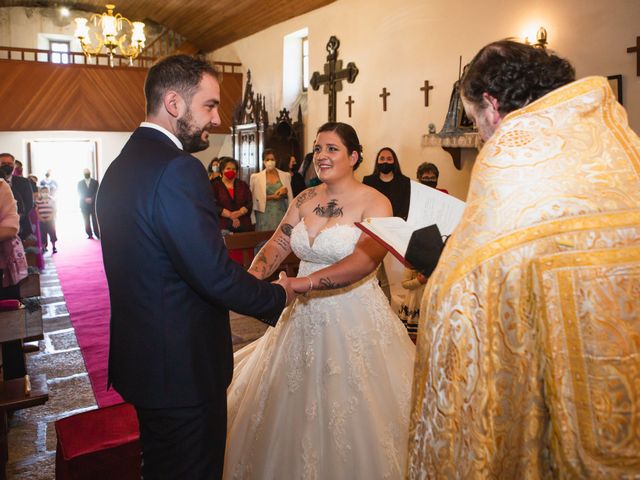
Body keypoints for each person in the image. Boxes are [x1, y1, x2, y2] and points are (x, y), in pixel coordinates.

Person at [407, 40, 640, 479]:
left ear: (492, 106)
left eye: (475, 120)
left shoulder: (515, 155)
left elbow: (467, 289)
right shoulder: (613, 138)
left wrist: (439, 264)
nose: (480, 135)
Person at [96, 54, 295, 480]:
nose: (217, 119)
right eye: (209, 105)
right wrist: (278, 295)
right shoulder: (177, 169)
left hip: (145, 362)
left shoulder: (120, 166)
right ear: (173, 103)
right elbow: (213, 274)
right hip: (182, 370)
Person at [223, 122, 416, 479]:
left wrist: (304, 283)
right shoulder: (304, 199)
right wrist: (246, 282)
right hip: (300, 319)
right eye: (317, 148)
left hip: (353, 316)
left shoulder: (376, 202)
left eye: (332, 149)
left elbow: (364, 261)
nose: (321, 156)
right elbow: (278, 245)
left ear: (354, 156)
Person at [249, 148, 293, 231]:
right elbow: (253, 198)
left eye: (272, 159)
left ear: (276, 160)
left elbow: (290, 196)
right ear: (263, 161)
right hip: (264, 213)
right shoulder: (256, 177)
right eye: (267, 159)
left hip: (281, 211)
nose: (270, 162)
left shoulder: (285, 175)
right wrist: (272, 197)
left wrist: (284, 192)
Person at [362, 147, 411, 220]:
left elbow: (406, 208)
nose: (385, 162)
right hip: (374, 224)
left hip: (397, 225)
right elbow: (364, 205)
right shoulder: (368, 181)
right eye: (382, 159)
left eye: (389, 159)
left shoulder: (405, 182)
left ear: (394, 162)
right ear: (377, 161)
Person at [211, 157, 253, 233]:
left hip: (243, 225)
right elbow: (212, 204)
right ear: (222, 170)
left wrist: (239, 212)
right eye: (228, 168)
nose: (231, 171)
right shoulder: (214, 186)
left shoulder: (243, 185)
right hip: (222, 226)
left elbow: (249, 203)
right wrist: (230, 215)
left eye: (233, 169)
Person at [397, 267, 427, 342]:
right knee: (413, 335)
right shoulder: (411, 265)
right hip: (414, 302)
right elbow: (404, 283)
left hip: (428, 299)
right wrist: (418, 281)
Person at [77, 168, 100, 239]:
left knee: (95, 220)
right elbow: (79, 192)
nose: (86, 173)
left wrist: (92, 199)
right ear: (83, 174)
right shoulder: (80, 183)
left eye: (87, 172)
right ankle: (89, 234)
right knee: (86, 220)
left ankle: (97, 234)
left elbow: (97, 192)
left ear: (90, 173)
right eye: (85, 172)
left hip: (93, 204)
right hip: (84, 204)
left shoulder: (95, 182)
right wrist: (85, 199)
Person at [35, 186, 57, 254]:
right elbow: (36, 210)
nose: (45, 193)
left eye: (46, 191)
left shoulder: (52, 200)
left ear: (48, 192)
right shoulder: (38, 201)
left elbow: (55, 210)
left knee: (52, 233)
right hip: (41, 221)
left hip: (51, 220)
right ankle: (44, 247)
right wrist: (40, 218)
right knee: (43, 234)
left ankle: (54, 247)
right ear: (41, 192)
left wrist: (50, 217)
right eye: (43, 192)